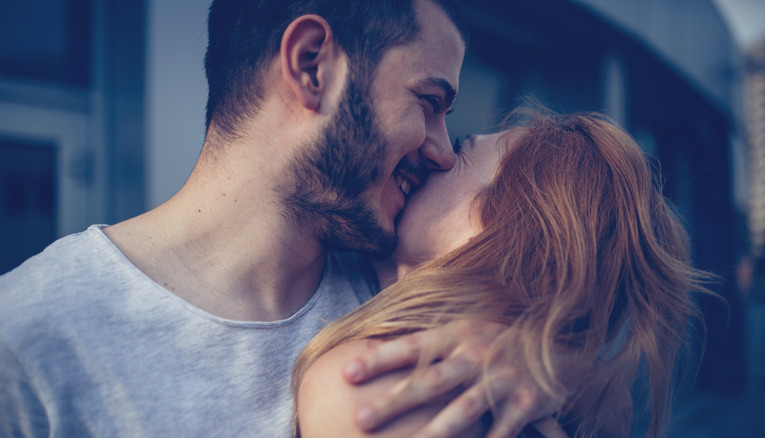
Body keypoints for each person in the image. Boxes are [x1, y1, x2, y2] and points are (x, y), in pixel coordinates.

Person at [0, 1, 555, 436]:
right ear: (312, 64)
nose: (440, 150)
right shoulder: (29, 336)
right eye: (429, 102)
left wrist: (542, 360)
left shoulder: (401, 280)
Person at [292, 111, 713, 437]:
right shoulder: (542, 393)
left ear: (500, 224)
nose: (435, 155)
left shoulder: (379, 390)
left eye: (463, 151)